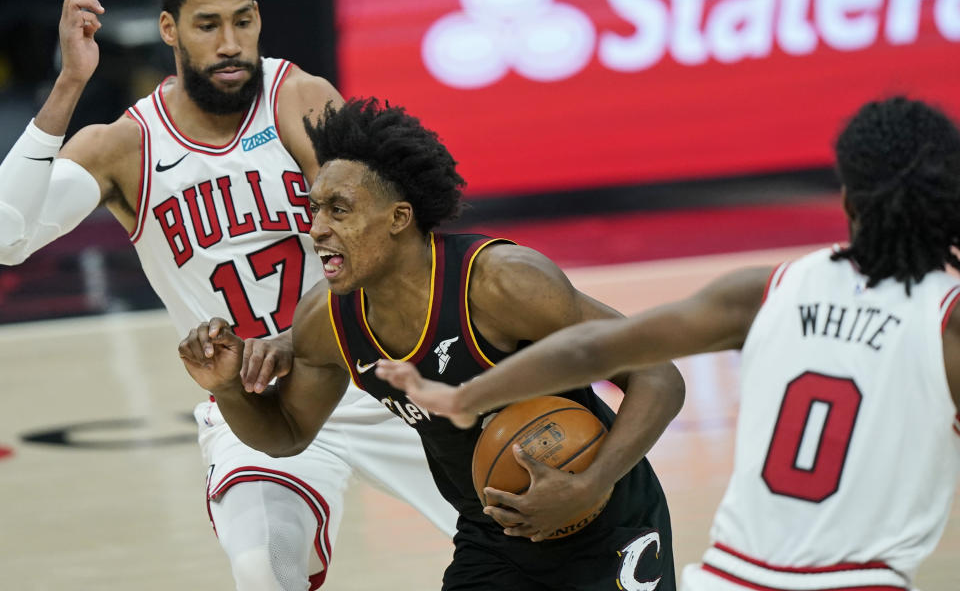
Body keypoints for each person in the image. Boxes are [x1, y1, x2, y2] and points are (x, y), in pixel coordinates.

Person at [0, 0, 458, 589]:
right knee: (261, 571)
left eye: (243, 22)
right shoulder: (124, 147)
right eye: (208, 25)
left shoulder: (298, 100)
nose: (230, 44)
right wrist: (69, 84)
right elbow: (6, 237)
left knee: (526, 528)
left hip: (371, 373)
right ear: (169, 29)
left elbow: (380, 234)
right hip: (255, 403)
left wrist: (301, 335)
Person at [375, 96, 960, 591]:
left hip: (729, 576)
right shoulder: (945, 325)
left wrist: (463, 396)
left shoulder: (769, 290)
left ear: (848, 200)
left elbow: (591, 349)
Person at [178, 96, 686, 590]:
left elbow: (656, 374)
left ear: (399, 218)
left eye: (339, 210)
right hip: (494, 539)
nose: (318, 229)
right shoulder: (328, 318)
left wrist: (589, 485)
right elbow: (287, 435)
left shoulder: (501, 283)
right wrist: (229, 390)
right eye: (314, 209)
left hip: (606, 517)